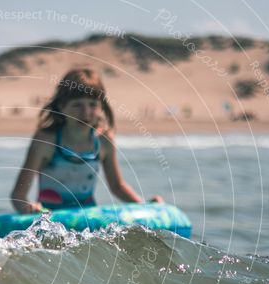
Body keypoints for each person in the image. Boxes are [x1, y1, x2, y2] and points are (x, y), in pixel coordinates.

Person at [10, 68, 163, 214]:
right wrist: (27, 207)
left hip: (87, 219)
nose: (86, 112)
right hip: (50, 218)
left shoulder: (103, 142)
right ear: (62, 106)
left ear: (101, 107)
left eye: (92, 105)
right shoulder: (45, 141)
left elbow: (117, 186)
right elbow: (18, 194)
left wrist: (144, 206)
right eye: (77, 105)